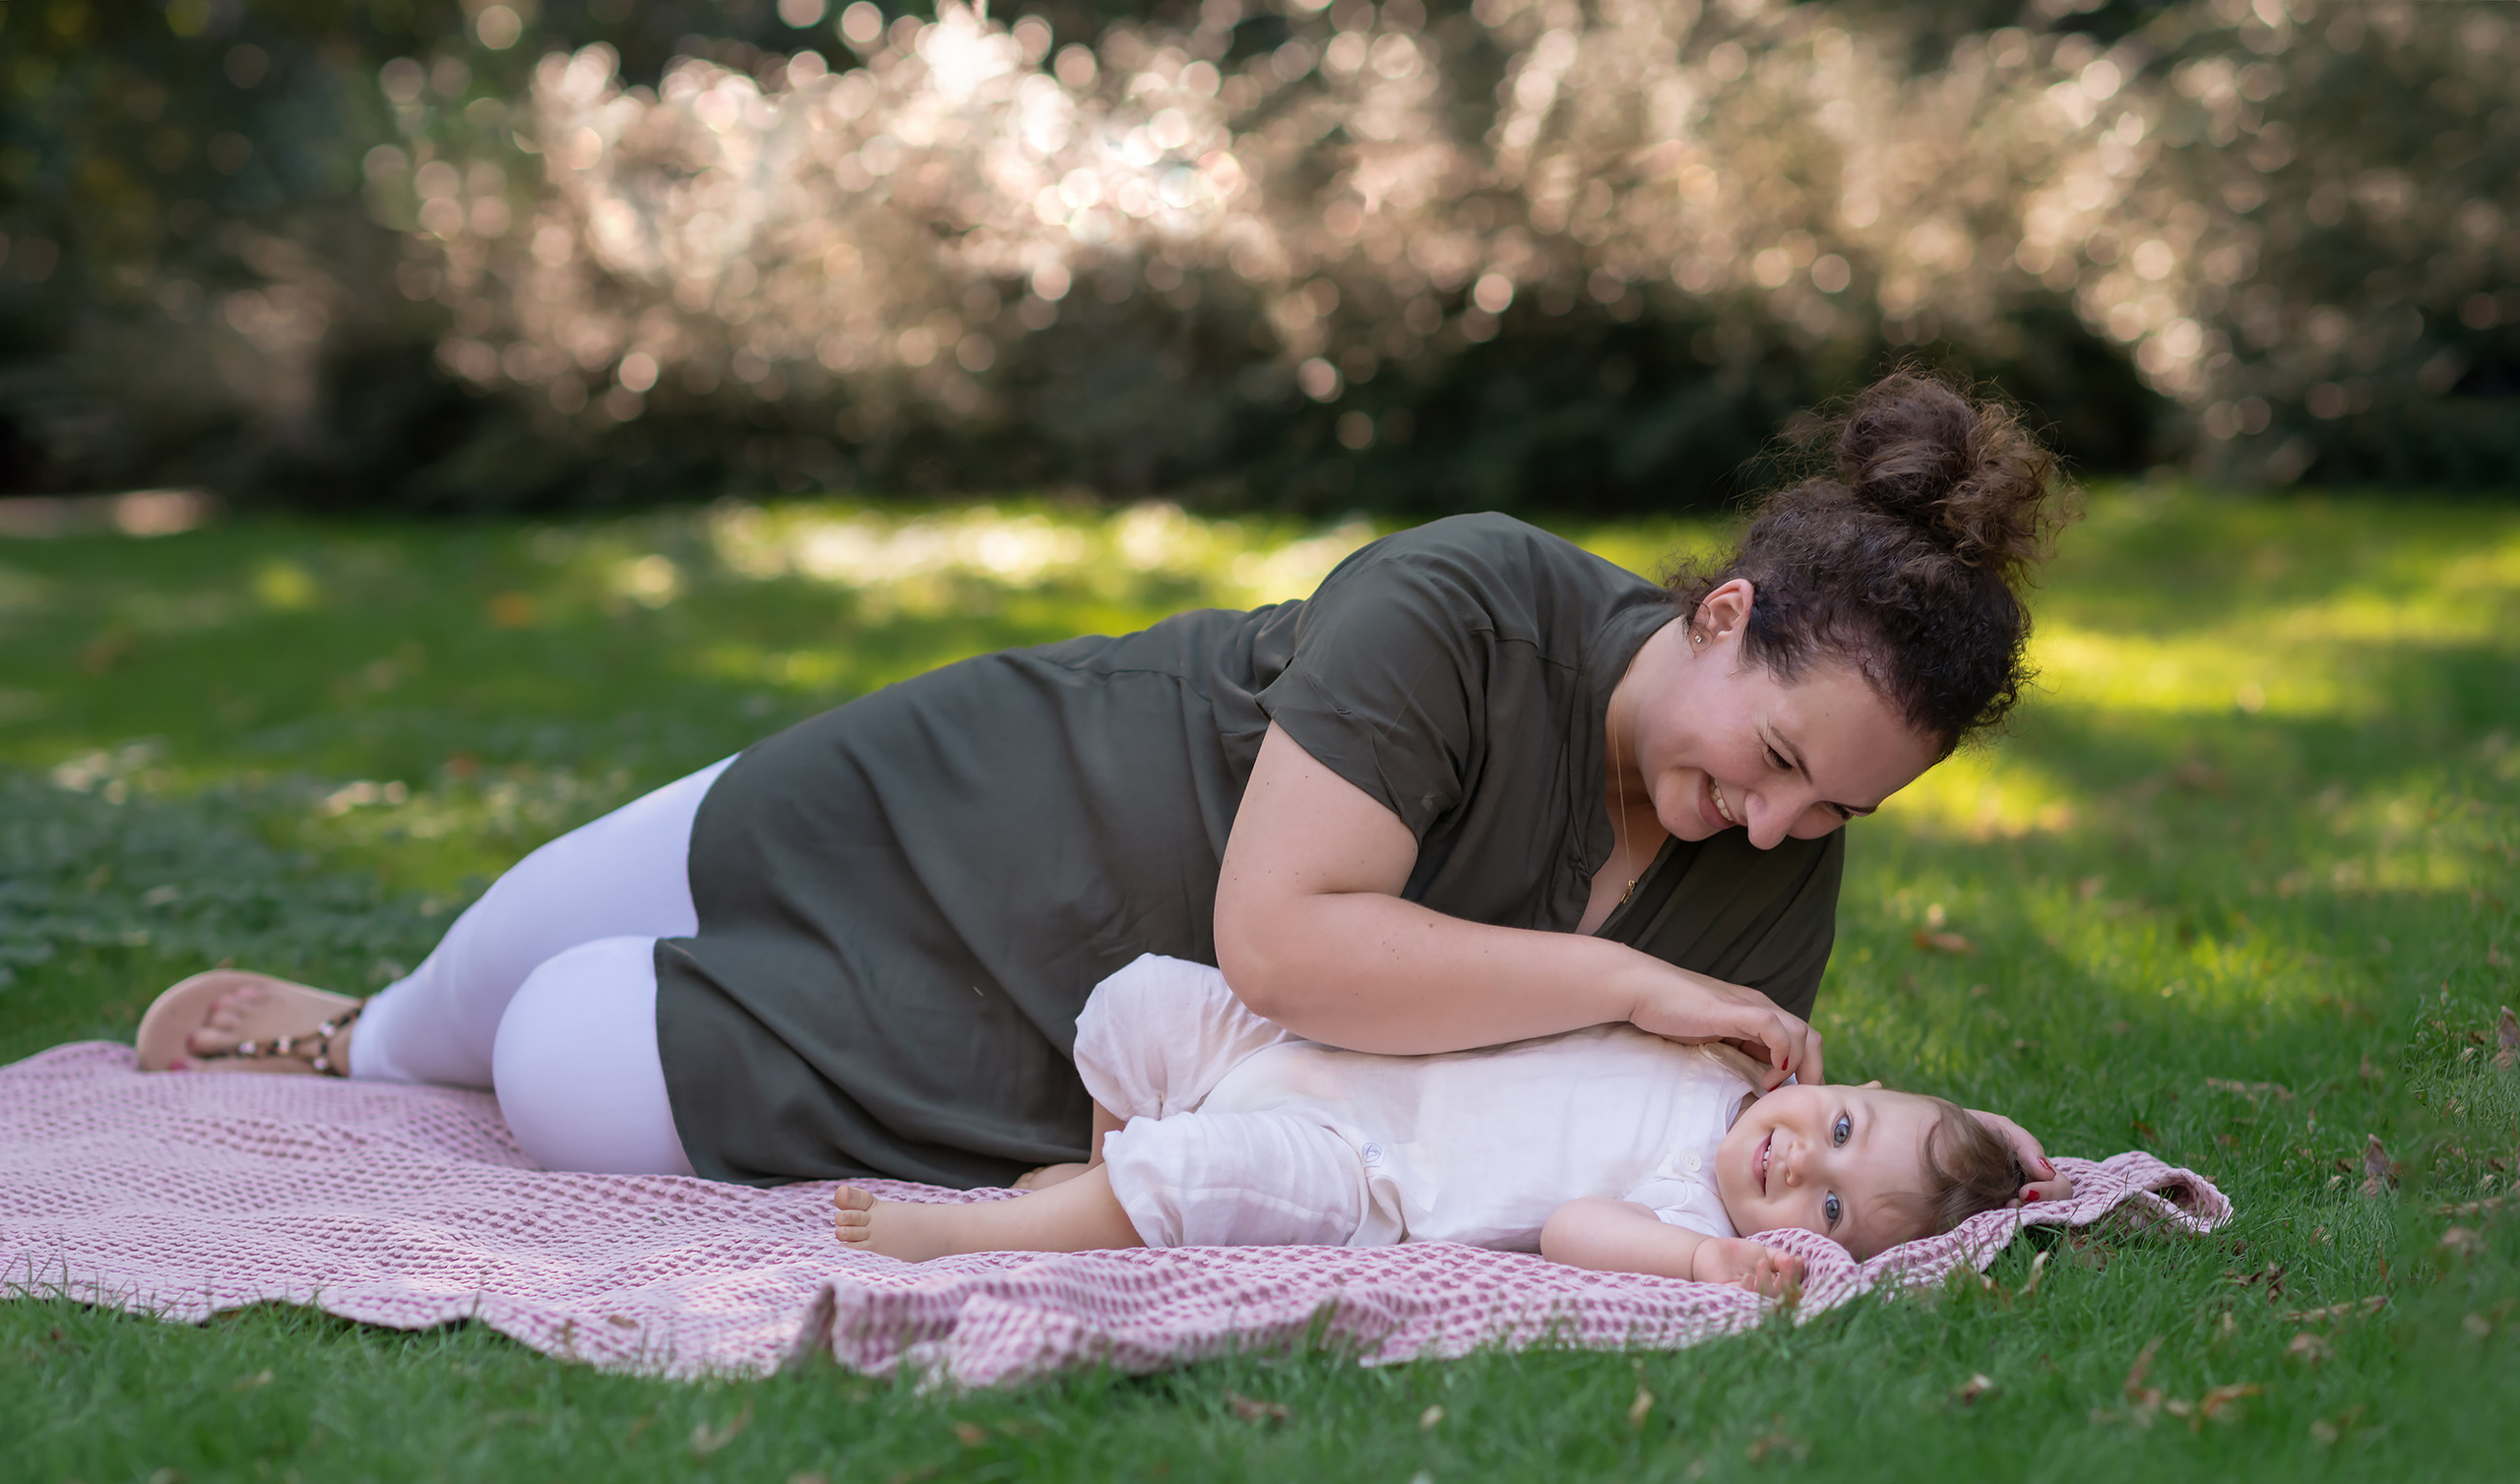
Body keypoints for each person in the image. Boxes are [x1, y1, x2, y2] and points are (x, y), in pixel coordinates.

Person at [134, 369, 2067, 1198]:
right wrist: (1631, 983)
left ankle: (446, 1052)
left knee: (564, 1061)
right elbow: (1291, 940)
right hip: (988, 802)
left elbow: (1641, 1146)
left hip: (1074, 1043)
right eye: (1779, 763)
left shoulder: (1764, 877)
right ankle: (365, 1046)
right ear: (1721, 617)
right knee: (493, 965)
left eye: (1836, 819)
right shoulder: (1472, 592)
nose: (1777, 833)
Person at [832, 954, 2031, 1292]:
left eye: (1825, 1203)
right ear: (1842, 1083)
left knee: (1209, 1170)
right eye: (1839, 1121)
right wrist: (1987, 1130)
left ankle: (959, 1235)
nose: (1800, 1155)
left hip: (1367, 1172)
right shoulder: (1723, 1052)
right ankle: (1089, 1177)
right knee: (1141, 1001)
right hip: (1317, 1056)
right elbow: (1906, 1141)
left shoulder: (1689, 1203)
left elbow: (1571, 1228)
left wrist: (1708, 1257)